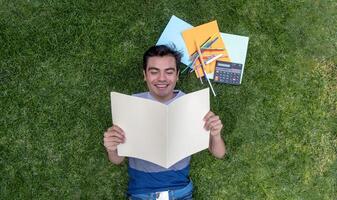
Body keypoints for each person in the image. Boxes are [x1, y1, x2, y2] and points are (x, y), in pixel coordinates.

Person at [103, 45, 226, 199]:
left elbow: (219, 153)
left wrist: (216, 134)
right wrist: (111, 148)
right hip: (141, 193)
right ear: (145, 75)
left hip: (181, 192)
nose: (161, 78)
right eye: (154, 72)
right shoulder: (130, 105)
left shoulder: (192, 104)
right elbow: (117, 160)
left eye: (169, 72)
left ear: (177, 75)